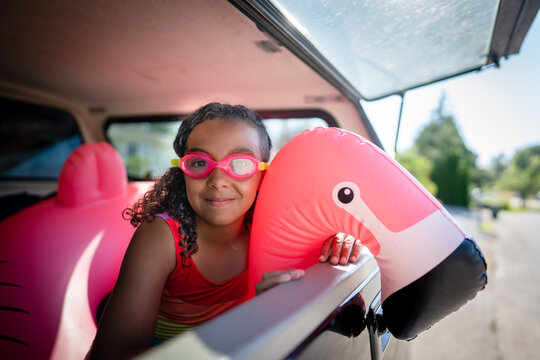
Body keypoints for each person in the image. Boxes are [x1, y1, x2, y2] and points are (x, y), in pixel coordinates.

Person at [88, 103, 362, 359]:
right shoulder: (162, 236)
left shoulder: (274, 230)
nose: (218, 180)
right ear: (183, 172)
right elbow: (115, 354)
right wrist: (255, 315)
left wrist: (337, 244)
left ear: (263, 174)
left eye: (240, 164)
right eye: (199, 163)